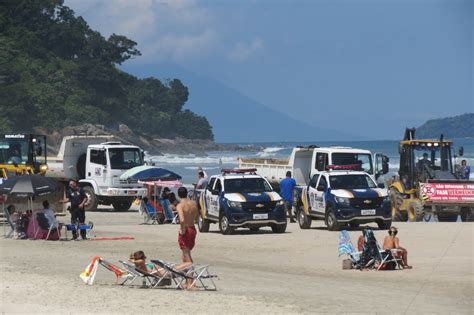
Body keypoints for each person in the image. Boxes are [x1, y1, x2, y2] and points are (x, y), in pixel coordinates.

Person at [175, 186, 198, 289]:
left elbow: (182, 220)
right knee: (185, 255)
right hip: (193, 228)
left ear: (179, 195)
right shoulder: (193, 204)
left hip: (186, 229)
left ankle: (190, 282)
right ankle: (187, 280)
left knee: (187, 255)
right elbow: (197, 217)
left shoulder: (180, 206)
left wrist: (183, 229)